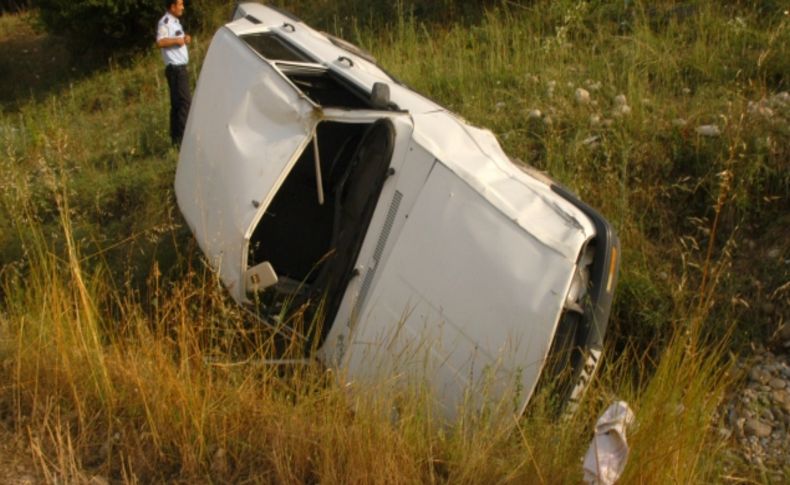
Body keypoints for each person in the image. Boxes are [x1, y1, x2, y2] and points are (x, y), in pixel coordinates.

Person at [156, 0, 192, 146]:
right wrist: (177, 41)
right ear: (172, 6)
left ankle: (176, 140)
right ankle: (184, 140)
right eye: (180, 4)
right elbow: (160, 42)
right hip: (176, 70)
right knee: (185, 103)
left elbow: (177, 40)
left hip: (180, 69)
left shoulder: (175, 22)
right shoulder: (165, 22)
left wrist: (185, 39)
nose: (182, 7)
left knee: (177, 105)